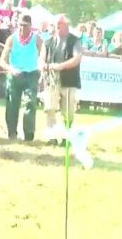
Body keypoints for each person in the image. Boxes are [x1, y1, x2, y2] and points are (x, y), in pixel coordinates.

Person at [39, 14, 82, 144]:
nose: (58, 27)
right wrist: (43, 66)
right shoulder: (48, 42)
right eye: (56, 24)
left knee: (68, 112)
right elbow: (41, 59)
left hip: (69, 80)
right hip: (51, 81)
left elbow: (77, 59)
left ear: (67, 25)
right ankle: (51, 136)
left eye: (61, 24)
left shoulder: (75, 41)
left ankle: (66, 137)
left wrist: (60, 66)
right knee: (50, 108)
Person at [0, 14, 42, 141]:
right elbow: (2, 61)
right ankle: (12, 133)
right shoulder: (11, 39)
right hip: (14, 75)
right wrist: (11, 69)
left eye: (25, 26)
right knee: (12, 104)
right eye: (20, 26)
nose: (22, 29)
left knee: (30, 103)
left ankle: (28, 135)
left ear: (30, 27)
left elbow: (43, 54)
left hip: (31, 74)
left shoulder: (37, 39)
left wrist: (41, 65)